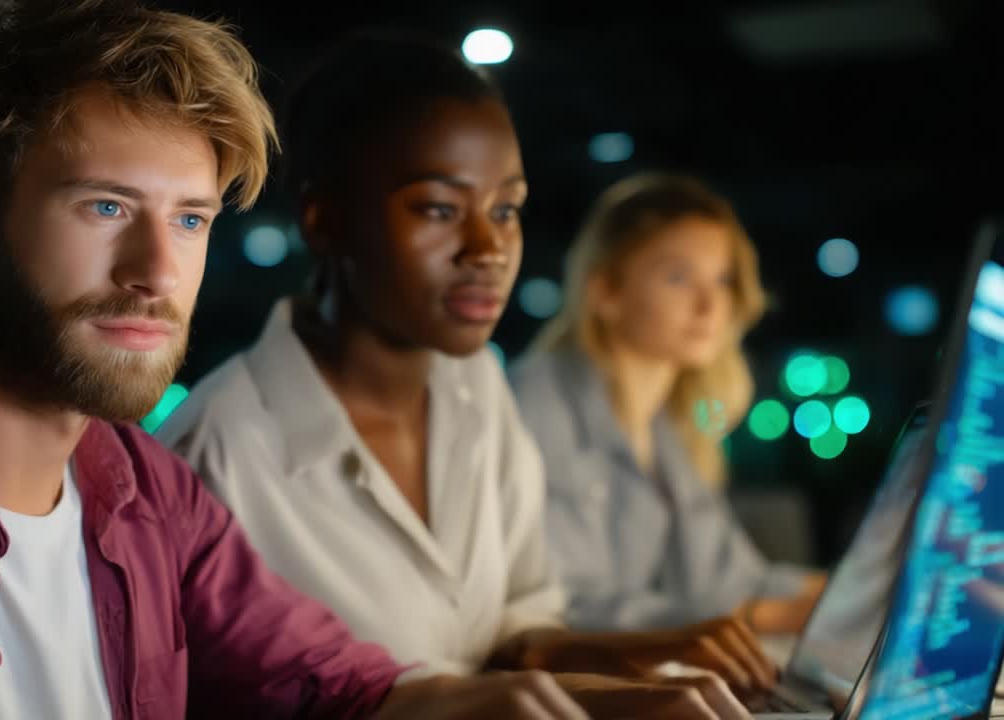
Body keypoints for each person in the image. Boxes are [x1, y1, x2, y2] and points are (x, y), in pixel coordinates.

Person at [0, 2, 600, 718]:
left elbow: (341, 689)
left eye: (189, 220)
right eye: (106, 207)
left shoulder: (151, 494)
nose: (157, 274)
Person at [158, 34, 776, 720]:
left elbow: (512, 640)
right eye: (438, 209)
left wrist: (650, 662)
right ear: (323, 220)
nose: (488, 249)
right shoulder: (212, 458)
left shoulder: (476, 386)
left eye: (505, 210)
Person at [509, 173, 826, 636]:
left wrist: (856, 589)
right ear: (605, 291)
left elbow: (733, 580)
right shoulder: (538, 401)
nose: (709, 304)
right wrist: (760, 617)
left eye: (722, 279)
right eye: (678, 277)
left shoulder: (668, 430)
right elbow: (563, 606)